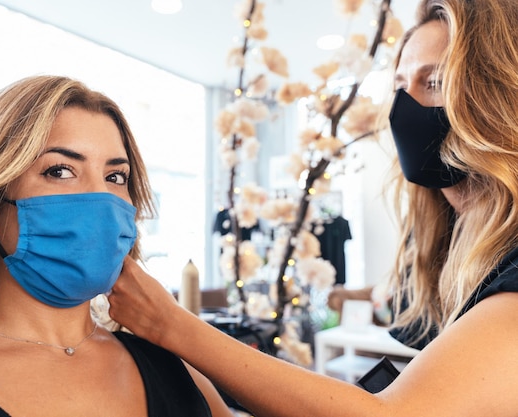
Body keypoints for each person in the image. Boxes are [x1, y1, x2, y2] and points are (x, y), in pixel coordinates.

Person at [108, 0, 518, 415]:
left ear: (498, 94)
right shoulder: (448, 252)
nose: (402, 108)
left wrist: (171, 324)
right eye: (398, 87)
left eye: (435, 82)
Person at [0, 75, 234, 417]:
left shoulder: (174, 370)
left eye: (115, 177)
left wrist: (178, 328)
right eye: (60, 170)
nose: (100, 197)